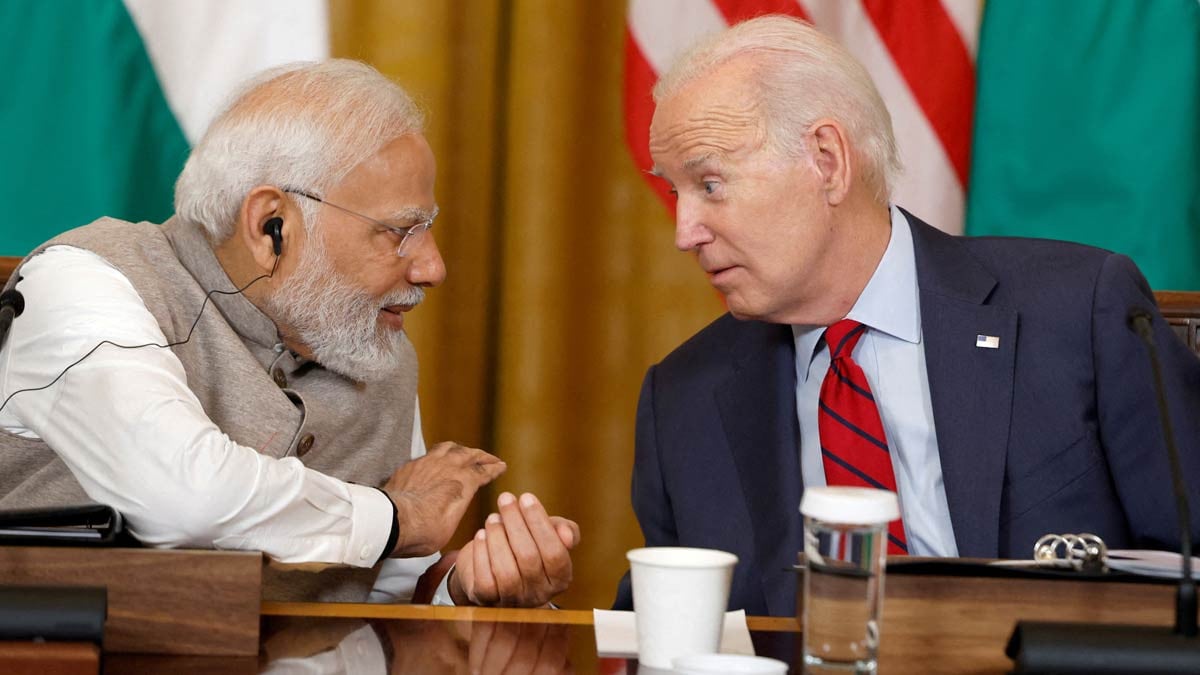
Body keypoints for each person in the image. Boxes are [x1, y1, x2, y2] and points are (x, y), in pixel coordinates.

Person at [614, 15, 1200, 617]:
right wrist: (532, 602)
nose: (685, 232)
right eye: (674, 192)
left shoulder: (1077, 313)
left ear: (827, 160)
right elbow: (669, 629)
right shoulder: (684, 399)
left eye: (710, 184)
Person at [0, 60, 578, 607]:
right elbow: (184, 497)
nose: (433, 267)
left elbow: (389, 590)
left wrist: (466, 588)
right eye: (400, 232)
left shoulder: (369, 340)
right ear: (269, 225)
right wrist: (397, 517)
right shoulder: (83, 281)